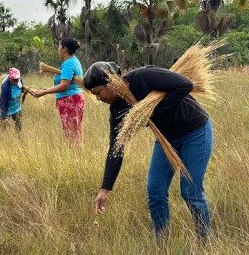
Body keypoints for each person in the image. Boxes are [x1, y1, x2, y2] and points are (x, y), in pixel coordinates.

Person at [84, 61, 214, 242]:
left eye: (98, 92)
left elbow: (185, 84)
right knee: (155, 191)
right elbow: (116, 149)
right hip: (166, 139)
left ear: (112, 82)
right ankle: (162, 241)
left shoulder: (143, 77)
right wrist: (104, 190)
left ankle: (205, 240)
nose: (98, 98)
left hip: (195, 131)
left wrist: (151, 110)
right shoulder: (117, 111)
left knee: (190, 192)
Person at [31, 37, 85, 144]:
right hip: (74, 99)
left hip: (70, 101)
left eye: (59, 46)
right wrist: (48, 89)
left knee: (71, 134)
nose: (58, 49)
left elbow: (64, 85)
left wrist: (44, 92)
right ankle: (77, 157)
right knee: (75, 131)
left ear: (64, 49)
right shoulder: (74, 61)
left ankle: (75, 157)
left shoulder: (69, 64)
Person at [0, 67, 29, 133]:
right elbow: (1, 103)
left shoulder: (19, 80)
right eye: (13, 80)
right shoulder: (5, 87)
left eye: (16, 80)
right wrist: (4, 117)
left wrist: (25, 91)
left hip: (17, 107)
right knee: (3, 129)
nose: (15, 82)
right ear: (10, 78)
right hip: (7, 109)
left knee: (19, 127)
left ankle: (19, 140)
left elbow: (21, 88)